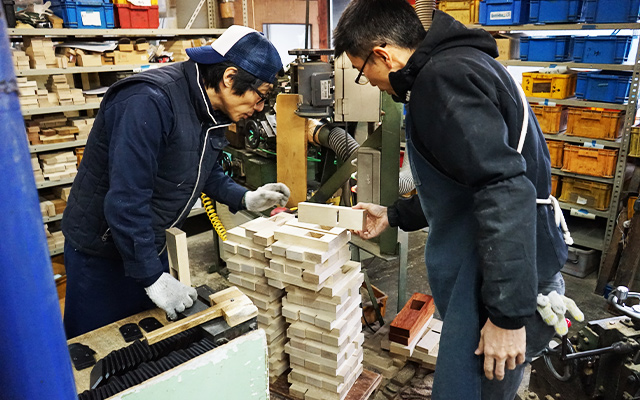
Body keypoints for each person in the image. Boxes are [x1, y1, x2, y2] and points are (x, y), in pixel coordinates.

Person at [334, 2, 579, 399]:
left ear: (383, 54)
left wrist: (506, 317)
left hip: (496, 278)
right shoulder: (465, 64)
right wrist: (394, 213)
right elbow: (464, 184)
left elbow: (505, 189)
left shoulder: (442, 79)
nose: (374, 84)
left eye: (365, 73)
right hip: (507, 263)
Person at [62, 26, 290, 338]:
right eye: (261, 95)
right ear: (229, 78)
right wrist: (151, 276)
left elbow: (204, 170)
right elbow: (126, 200)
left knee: (143, 344)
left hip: (145, 241)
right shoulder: (149, 101)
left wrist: (245, 198)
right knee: (96, 351)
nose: (261, 107)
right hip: (101, 251)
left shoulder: (213, 109)